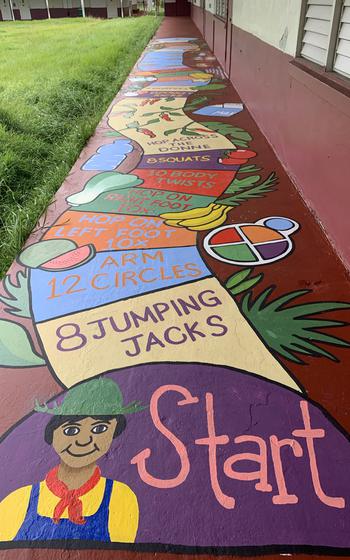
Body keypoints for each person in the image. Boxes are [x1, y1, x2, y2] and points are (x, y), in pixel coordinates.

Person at [0, 378, 145, 543]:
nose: (83, 441)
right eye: (71, 430)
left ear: (113, 433)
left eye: (99, 428)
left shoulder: (119, 497)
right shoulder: (18, 500)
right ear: (52, 435)